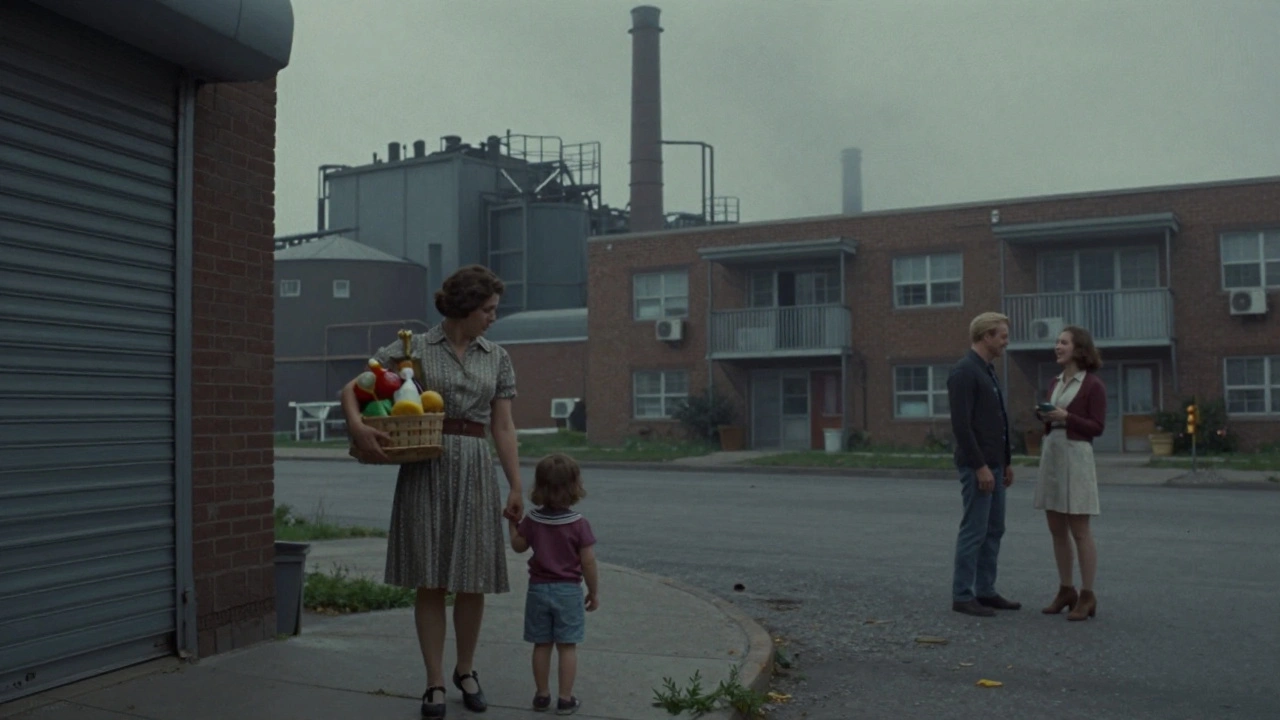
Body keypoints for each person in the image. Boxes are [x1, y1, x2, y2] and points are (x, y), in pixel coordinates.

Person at [342, 264, 523, 718]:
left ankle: (466, 670)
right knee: (431, 577)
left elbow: (502, 425)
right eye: (488, 309)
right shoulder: (414, 348)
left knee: (472, 577)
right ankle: (435, 682)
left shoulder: (496, 356)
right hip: (426, 465)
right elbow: (355, 385)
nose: (493, 318)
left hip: (476, 467)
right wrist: (358, 424)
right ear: (465, 308)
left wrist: (516, 484)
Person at [508, 453, 599, 716]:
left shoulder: (533, 521)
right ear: (574, 487)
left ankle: (541, 694)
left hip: (538, 590)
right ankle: (565, 698)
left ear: (539, 487)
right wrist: (593, 592)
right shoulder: (579, 524)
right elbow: (589, 562)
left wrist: (513, 524)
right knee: (567, 646)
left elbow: (518, 546)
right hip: (568, 591)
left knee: (542, 644)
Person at [946, 311, 1021, 617]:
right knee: (974, 530)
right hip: (977, 467)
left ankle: (985, 590)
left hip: (994, 465)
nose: (1006, 342)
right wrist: (980, 467)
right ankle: (962, 595)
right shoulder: (964, 372)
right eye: (1002, 336)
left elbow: (997, 422)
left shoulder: (988, 371)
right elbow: (962, 427)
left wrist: (1004, 462)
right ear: (987, 336)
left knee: (994, 529)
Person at [1033, 326, 1106, 622]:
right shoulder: (1055, 383)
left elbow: (1097, 427)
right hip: (1053, 453)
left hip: (1076, 456)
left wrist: (1067, 417)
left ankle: (1088, 595)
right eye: (1056, 342)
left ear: (1078, 349)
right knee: (1056, 527)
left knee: (1079, 529)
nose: (1057, 346)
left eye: (1063, 342)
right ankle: (1066, 589)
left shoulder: (1092, 385)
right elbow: (1054, 420)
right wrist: (1046, 416)